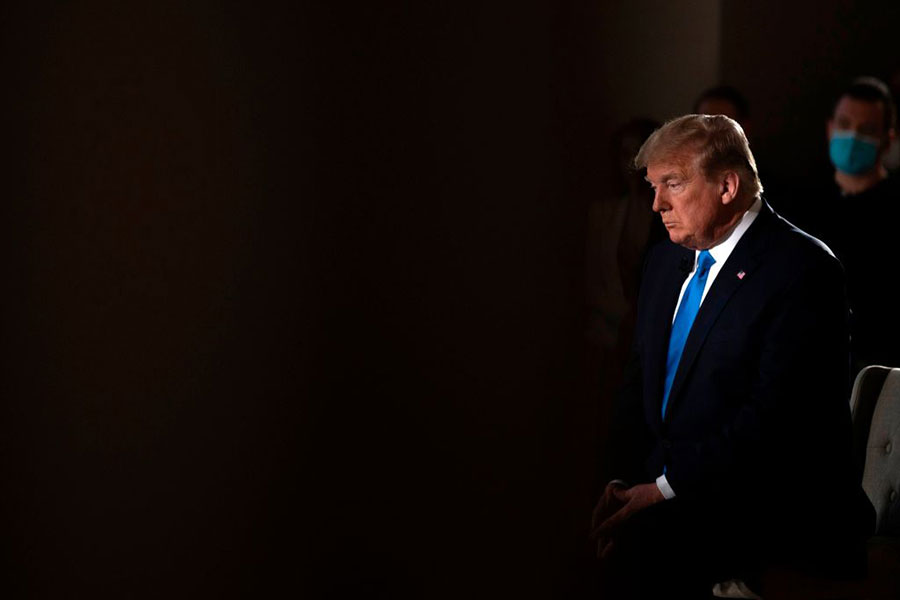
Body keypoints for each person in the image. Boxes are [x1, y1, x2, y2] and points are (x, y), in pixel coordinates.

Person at [590, 114, 874, 598]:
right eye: (654, 187)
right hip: (670, 502)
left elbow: (773, 421)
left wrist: (661, 490)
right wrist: (619, 480)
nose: (657, 204)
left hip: (765, 517)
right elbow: (636, 386)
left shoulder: (804, 270)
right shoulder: (664, 261)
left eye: (672, 184)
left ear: (727, 186)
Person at [801, 77, 900, 375]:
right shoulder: (803, 202)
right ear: (830, 128)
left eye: (867, 130)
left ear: (888, 139)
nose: (853, 136)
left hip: (877, 364)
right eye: (844, 124)